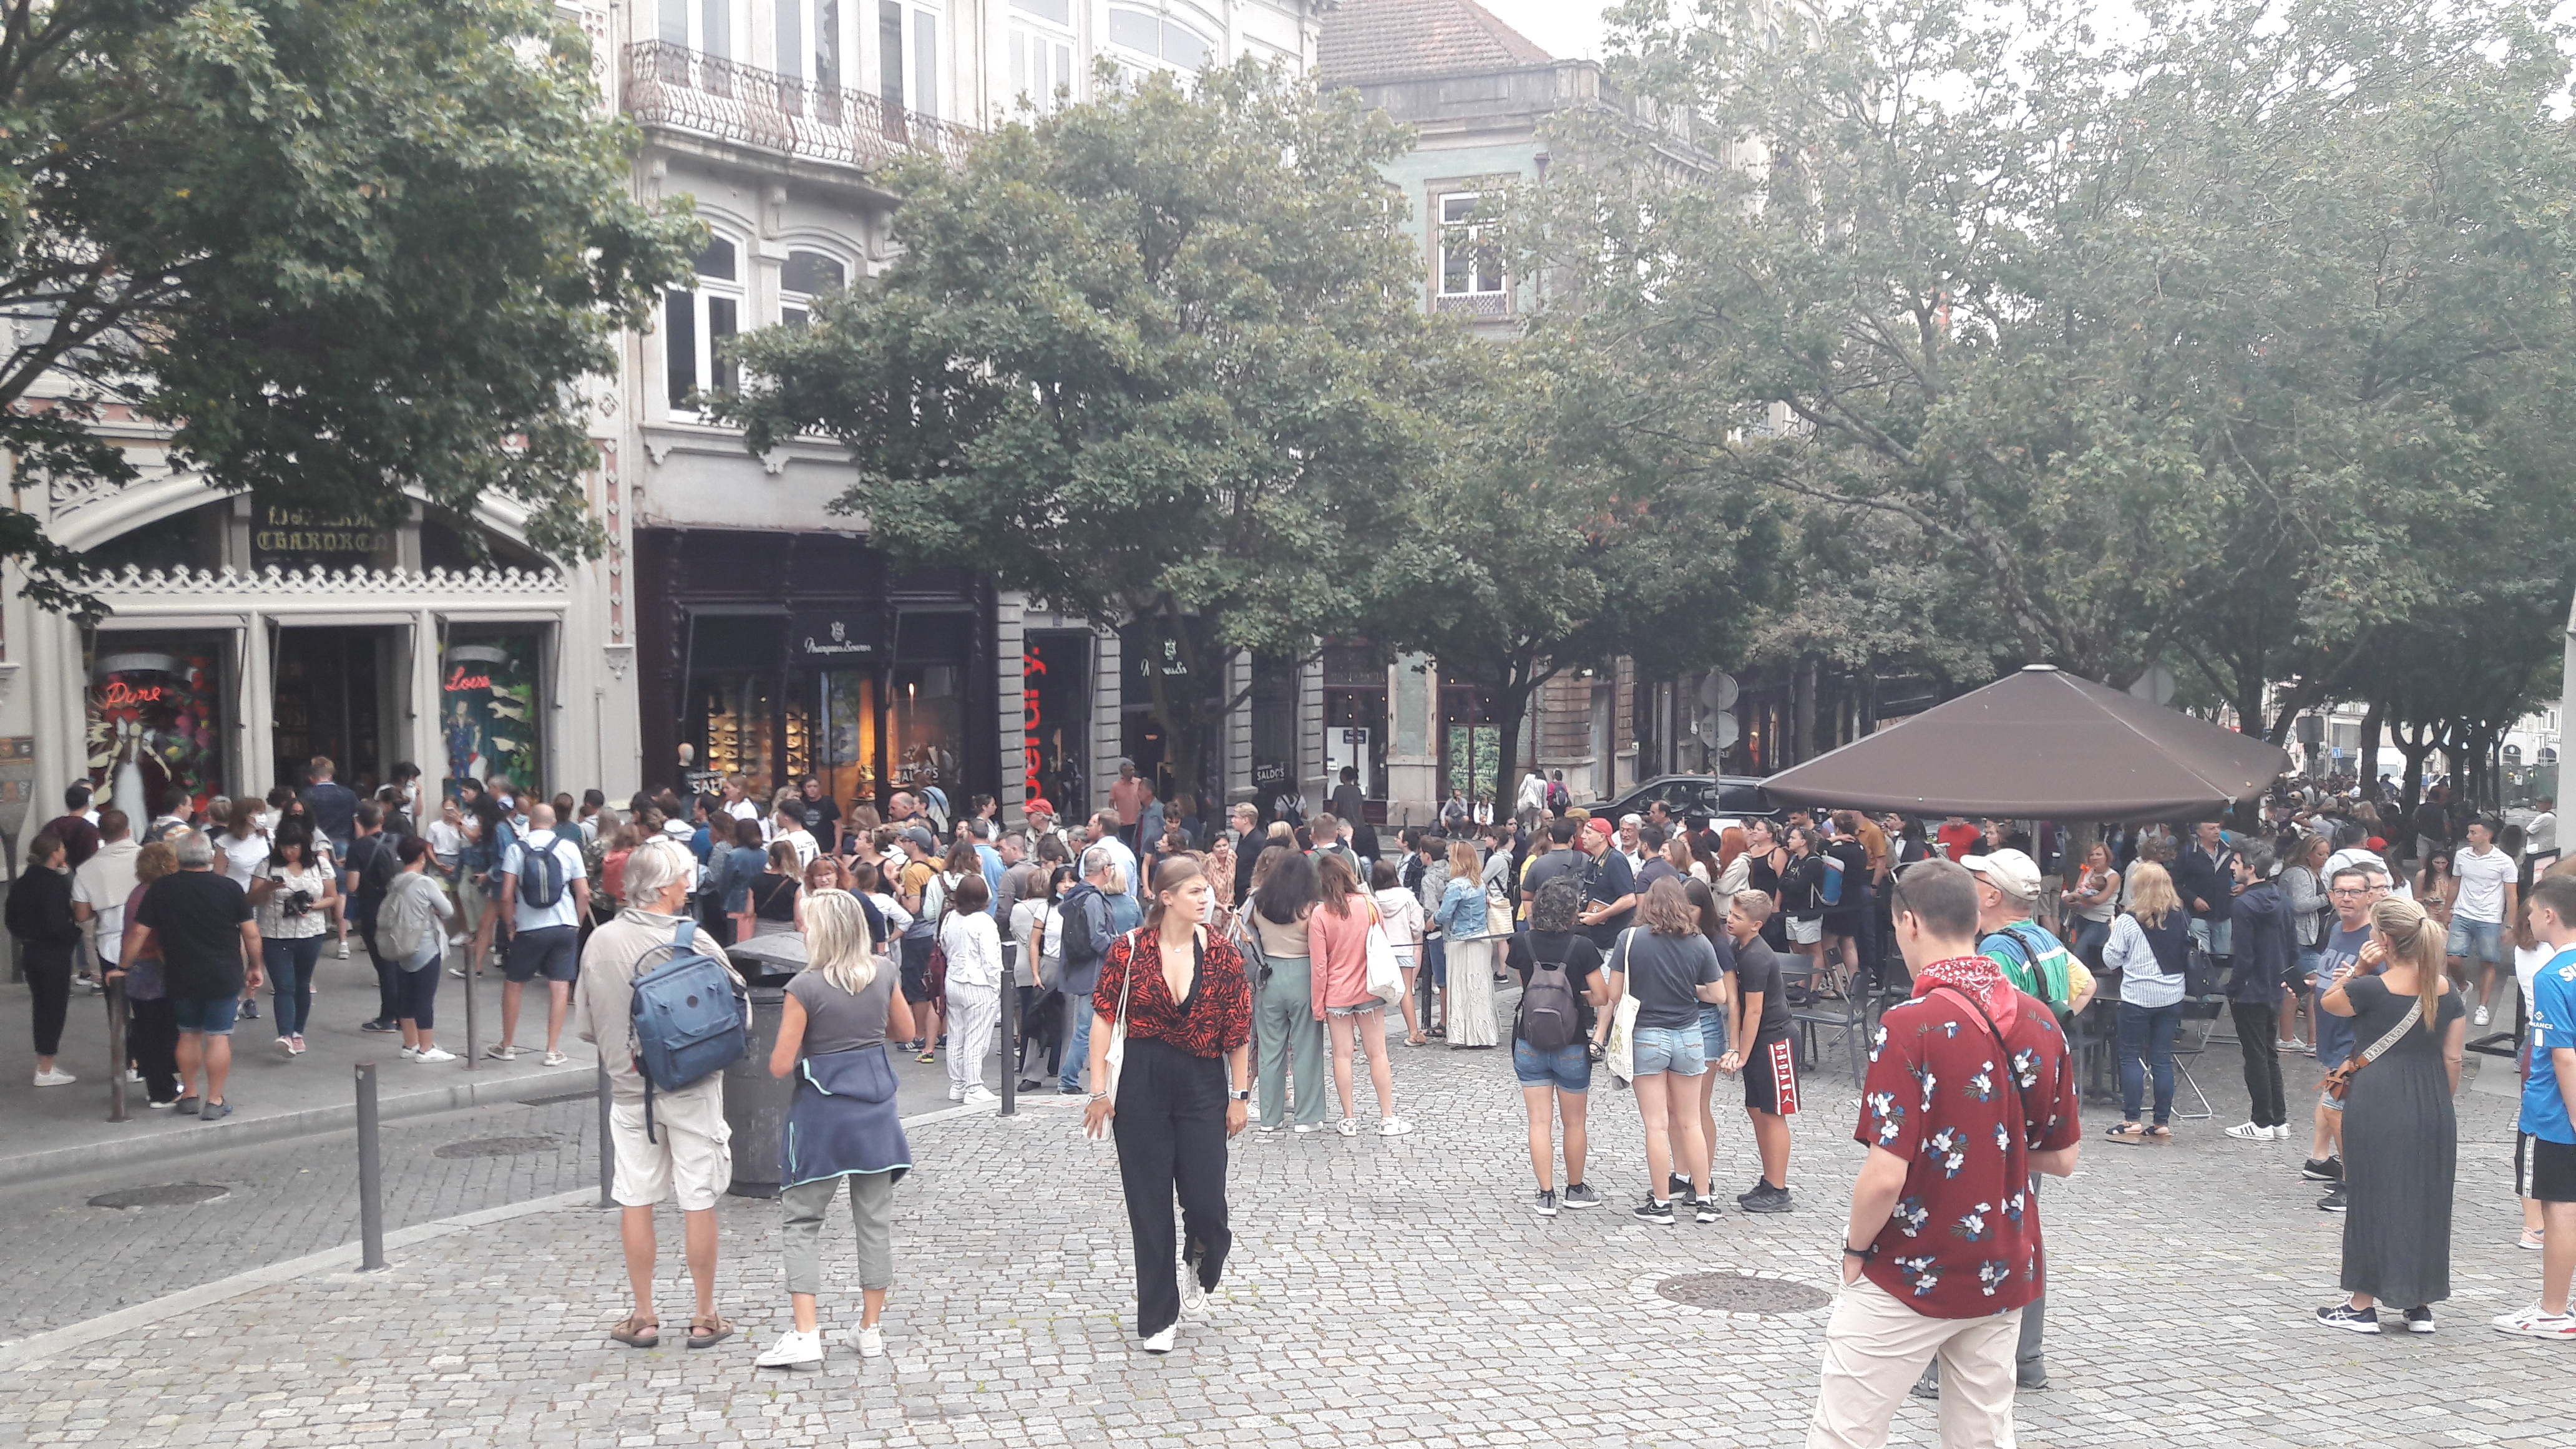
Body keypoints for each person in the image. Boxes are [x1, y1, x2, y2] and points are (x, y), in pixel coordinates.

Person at [1811, 858, 2081, 1448]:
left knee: (1845, 1433)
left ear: (1909, 923)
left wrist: (1855, 1249)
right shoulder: (2041, 1021)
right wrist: (1986, 1144)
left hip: (1911, 1266)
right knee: (1982, 1434)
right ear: (1975, 917)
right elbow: (2062, 1159)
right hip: (2001, 1264)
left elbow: (1886, 1174)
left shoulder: (1909, 1025)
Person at [1081, 856, 1253, 1354]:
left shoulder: (1223, 953)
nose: (1206, 898)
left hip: (1202, 1081)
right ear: (1166, 897)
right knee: (1149, 1205)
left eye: (1206, 890)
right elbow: (1103, 1019)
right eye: (1195, 891)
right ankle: (1158, 1316)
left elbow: (1238, 1028)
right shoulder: (1129, 949)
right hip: (1142, 1080)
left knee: (1206, 1201)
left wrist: (1240, 1095)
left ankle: (1202, 1251)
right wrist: (1099, 1091)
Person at [573, 837, 736, 1352]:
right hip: (694, 1086)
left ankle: (643, 1315)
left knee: (636, 1198)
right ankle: (705, 1315)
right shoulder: (695, 940)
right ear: (665, 888)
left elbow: (586, 1026)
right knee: (698, 1200)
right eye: (684, 877)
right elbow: (740, 1011)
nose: (689, 884)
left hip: (629, 1092)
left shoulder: (599, 941)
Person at [756, 888, 914, 1369]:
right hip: (876, 1111)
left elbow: (780, 1064)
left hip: (822, 1115)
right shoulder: (883, 972)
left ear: (820, 931)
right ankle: (870, 1329)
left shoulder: (804, 987)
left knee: (802, 1220)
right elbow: (906, 1032)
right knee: (874, 1222)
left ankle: (806, 1333)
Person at [2313, 895, 2467, 1332]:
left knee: (2371, 1197)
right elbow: (2453, 1059)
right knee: (2426, 1199)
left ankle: (2361, 1305)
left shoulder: (2370, 988)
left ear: (2384, 941)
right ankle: (2418, 1303)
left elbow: (2329, 1003)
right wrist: (2437, 1102)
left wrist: (2360, 968)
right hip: (2432, 1101)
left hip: (2378, 1098)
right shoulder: (2447, 991)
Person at [1604, 877, 1728, 1223]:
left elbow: (1614, 994)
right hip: (1690, 1036)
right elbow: (1719, 995)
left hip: (1647, 1035)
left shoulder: (1630, 939)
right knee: (1691, 1122)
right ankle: (1704, 1200)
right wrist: (1690, 990)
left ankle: (1661, 1204)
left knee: (1657, 1126)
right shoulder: (1700, 942)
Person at [130, 832, 263, 1120]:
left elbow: (139, 931)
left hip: (180, 972)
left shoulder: (162, 889)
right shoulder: (229, 888)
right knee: (218, 1037)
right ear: (210, 857)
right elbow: (251, 933)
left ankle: (190, 1094)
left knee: (188, 1034)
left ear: (179, 858)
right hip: (223, 974)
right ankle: (214, 1100)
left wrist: (124, 965)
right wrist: (255, 966)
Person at [1503, 878, 1609, 1214]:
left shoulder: (1522, 942)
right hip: (1572, 1042)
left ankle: (1545, 1194)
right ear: (1572, 911)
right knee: (1574, 1123)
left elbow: (1525, 985)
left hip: (1529, 1039)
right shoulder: (1582, 947)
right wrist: (1575, 996)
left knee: (1539, 1122)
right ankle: (1575, 1189)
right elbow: (1602, 996)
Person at [2500, 871, 2576, 1338]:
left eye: (2530, 913)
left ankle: (2553, 1310)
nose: (2526, 920)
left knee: (2559, 1210)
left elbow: (2563, 1056)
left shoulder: (2551, 976)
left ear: (2549, 915)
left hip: (2553, 1115)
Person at [2308, 853, 2396, 1210]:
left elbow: (2389, 986)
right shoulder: (2335, 928)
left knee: (2339, 1108)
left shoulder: (2374, 939)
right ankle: (2321, 1161)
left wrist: (2356, 976)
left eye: (2355, 892)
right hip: (2331, 1034)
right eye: (2340, 892)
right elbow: (2333, 975)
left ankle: (2354, 1181)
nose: (2346, 898)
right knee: (2332, 1101)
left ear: (2369, 896)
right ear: (2330, 895)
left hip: (2354, 1038)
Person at [1309, 852, 1410, 1136]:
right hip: (1369, 988)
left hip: (1336, 993)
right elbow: (1381, 944)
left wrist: (1318, 1004)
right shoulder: (1369, 904)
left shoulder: (1320, 914)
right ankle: (1387, 1118)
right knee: (1378, 1054)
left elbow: (1319, 966)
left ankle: (1349, 1119)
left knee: (1342, 1056)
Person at [489, 804, 590, 1066]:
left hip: (529, 926)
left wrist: (510, 925)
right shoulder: (569, 848)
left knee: (514, 983)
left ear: (530, 822)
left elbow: (506, 895)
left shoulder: (516, 849)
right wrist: (576, 924)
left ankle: (507, 1045)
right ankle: (552, 1050)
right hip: (564, 925)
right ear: (554, 822)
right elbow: (584, 892)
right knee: (559, 986)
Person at [2101, 861, 2192, 1141]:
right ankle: (2161, 1122)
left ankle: (2132, 1120)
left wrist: (2113, 931)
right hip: (2172, 994)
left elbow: (2111, 959)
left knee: (2130, 1055)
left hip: (2138, 996)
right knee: (2162, 1057)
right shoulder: (2181, 917)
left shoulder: (2128, 921)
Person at [1720, 891, 1797, 1211]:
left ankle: (1778, 1189)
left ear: (1756, 925)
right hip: (1760, 1040)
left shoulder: (1756, 957)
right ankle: (1769, 1180)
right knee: (1756, 1109)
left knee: (1773, 1114)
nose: (1729, 920)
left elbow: (1754, 1011)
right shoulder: (1739, 947)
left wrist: (1742, 1054)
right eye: (1730, 913)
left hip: (1775, 1039)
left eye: (1737, 917)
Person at [1244, 847, 1329, 1131]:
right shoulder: (1311, 908)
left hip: (1269, 974)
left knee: (1270, 1049)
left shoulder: (1259, 903)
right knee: (1306, 1048)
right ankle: (1307, 1117)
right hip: (1303, 974)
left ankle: (1270, 1117)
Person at [2219, 849, 2295, 1140]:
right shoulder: (2282, 899)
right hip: (2274, 986)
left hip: (2251, 990)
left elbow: (2244, 955)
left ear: (2250, 868)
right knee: (2269, 1054)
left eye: (2236, 863)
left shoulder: (2243, 905)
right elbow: (2292, 947)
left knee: (2255, 1056)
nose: (2232, 867)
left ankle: (2261, 1121)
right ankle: (2279, 1120)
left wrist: (2233, 987)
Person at [1057, 846, 1141, 1095]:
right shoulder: (1092, 898)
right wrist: (1122, 944)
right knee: (1087, 1028)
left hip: (1081, 969)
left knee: (1088, 1026)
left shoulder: (1079, 895)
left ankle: (1072, 1079)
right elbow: (1098, 938)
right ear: (1106, 870)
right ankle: (1068, 1080)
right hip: (1094, 972)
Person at [248, 824, 335, 1057]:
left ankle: (298, 1033)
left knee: (302, 984)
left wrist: (312, 906)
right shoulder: (267, 866)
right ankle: (285, 1035)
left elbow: (332, 897)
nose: (289, 852)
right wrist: (269, 887)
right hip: (275, 934)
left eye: (294, 847)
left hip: (311, 932)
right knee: (284, 986)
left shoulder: (320, 865)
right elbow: (252, 898)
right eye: (284, 847)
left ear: (304, 846)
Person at [109, 841, 182, 1103]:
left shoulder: (137, 892)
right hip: (155, 968)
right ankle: (162, 1090)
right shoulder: (159, 895)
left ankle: (157, 1085)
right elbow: (158, 937)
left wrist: (124, 966)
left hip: (138, 969)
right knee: (163, 1032)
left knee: (147, 1028)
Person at [376, 836, 459, 1063]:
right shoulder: (425, 882)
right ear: (422, 856)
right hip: (424, 945)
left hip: (401, 944)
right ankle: (426, 1048)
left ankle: (410, 1043)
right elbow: (448, 910)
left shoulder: (396, 881)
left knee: (407, 996)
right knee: (424, 998)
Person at [9, 832, 82, 1085]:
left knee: (41, 1007)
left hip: (31, 951)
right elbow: (56, 923)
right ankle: (45, 1068)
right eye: (62, 848)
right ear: (55, 854)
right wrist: (74, 934)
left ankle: (45, 1063)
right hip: (53, 953)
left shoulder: (22, 882)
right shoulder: (53, 884)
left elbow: (10, 919)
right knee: (53, 1009)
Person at [937, 872, 1003, 1105]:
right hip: (979, 984)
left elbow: (944, 945)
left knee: (956, 1034)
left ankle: (958, 1084)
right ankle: (974, 1086)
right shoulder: (984, 921)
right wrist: (998, 986)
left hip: (954, 979)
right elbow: (991, 960)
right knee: (977, 1036)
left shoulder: (950, 917)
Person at [72, 806, 140, 1007]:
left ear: (100, 835)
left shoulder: (86, 869)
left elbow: (82, 915)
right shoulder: (147, 858)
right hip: (147, 940)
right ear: (128, 831)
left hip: (109, 944)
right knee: (149, 1007)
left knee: (117, 1007)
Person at [2452, 817, 2519, 1027]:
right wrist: (2447, 910)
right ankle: (2463, 987)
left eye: (2473, 833)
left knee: (2488, 962)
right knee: (2452, 958)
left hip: (2489, 918)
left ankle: (2483, 1006)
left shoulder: (2504, 861)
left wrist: (2511, 925)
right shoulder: (2462, 855)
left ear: (2487, 835)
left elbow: (2512, 895)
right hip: (2462, 913)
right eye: (2469, 832)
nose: (2468, 836)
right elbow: (2455, 883)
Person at [2280, 833, 2333, 1051]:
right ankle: (2313, 1042)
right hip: (2301, 938)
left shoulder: (2316, 874)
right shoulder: (2299, 874)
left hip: (2310, 939)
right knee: (2316, 987)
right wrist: (2327, 898)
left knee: (2294, 988)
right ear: (2307, 854)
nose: (2325, 858)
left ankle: (2289, 1039)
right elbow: (2299, 905)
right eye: (2320, 854)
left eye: (2327, 854)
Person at [1371, 858, 1428, 1047]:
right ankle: (1414, 1032)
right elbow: (1417, 924)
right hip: (1404, 947)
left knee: (1377, 991)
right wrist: (1414, 935)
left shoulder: (1373, 900)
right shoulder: (1408, 897)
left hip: (1381, 952)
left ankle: (1374, 1035)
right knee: (1406, 991)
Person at [1574, 818, 1640, 952]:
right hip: (1597, 937)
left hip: (1614, 940)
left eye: (1588, 833)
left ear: (1602, 837)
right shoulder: (1592, 860)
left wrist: (1600, 916)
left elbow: (1629, 899)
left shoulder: (1615, 860)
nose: (1582, 836)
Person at [2063, 842, 2119, 969]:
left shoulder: (2113, 876)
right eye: (2091, 855)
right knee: (2086, 961)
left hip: (2100, 922)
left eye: (2099, 854)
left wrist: (2077, 896)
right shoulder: (2086, 872)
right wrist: (2070, 900)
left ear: (2107, 857)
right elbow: (2077, 891)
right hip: (2081, 918)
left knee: (2078, 957)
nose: (2094, 857)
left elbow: (2099, 900)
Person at [301, 755, 358, 862]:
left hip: (317, 846)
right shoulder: (349, 794)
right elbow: (357, 821)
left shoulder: (306, 795)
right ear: (331, 775)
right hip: (343, 843)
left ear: (311, 778)